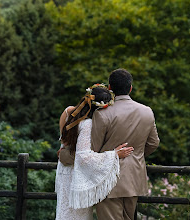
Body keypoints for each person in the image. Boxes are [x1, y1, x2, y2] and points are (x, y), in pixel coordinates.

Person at [59, 68, 160, 220]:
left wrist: (65, 156)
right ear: (130, 88)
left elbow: (91, 151)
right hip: (134, 179)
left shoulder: (103, 113)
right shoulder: (147, 111)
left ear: (110, 88)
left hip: (108, 181)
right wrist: (134, 156)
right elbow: (153, 143)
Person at [55, 84, 134, 220]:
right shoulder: (87, 124)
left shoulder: (68, 112)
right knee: (76, 215)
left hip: (63, 170)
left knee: (64, 212)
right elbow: (84, 157)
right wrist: (114, 155)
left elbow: (65, 144)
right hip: (77, 174)